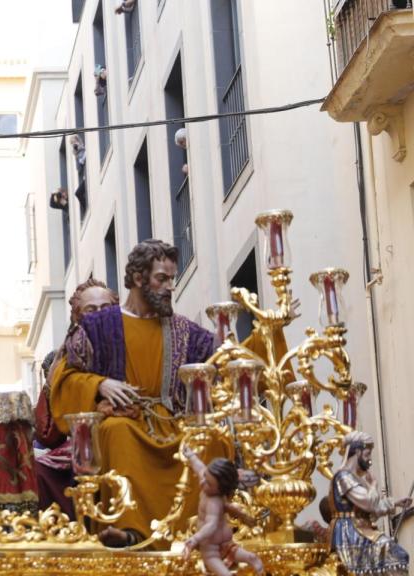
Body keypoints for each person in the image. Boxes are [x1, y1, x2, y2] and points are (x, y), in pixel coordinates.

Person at [49, 239, 234, 548]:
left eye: (171, 279)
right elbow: (64, 378)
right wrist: (99, 384)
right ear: (138, 278)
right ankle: (129, 529)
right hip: (127, 421)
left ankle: (200, 529)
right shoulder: (97, 326)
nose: (169, 287)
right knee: (117, 432)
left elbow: (226, 360)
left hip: (173, 422)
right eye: (162, 278)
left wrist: (270, 334)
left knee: (212, 438)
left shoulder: (183, 329)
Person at [34, 279, 119, 517]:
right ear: (77, 317)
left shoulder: (130, 343)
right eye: (91, 310)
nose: (99, 315)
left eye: (106, 309)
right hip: (80, 439)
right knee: (40, 470)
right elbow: (47, 429)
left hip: (123, 430)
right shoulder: (66, 357)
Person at [330, 431, 410, 576]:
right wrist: (373, 485)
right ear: (357, 451)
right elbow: (368, 503)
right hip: (350, 532)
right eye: (367, 455)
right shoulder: (343, 476)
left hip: (361, 529)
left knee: (397, 556)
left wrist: (395, 503)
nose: (369, 460)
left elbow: (371, 508)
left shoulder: (356, 478)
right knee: (396, 555)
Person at [182, 446, 265, 576]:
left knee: (215, 564)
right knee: (232, 551)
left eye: (209, 483)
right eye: (205, 476)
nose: (203, 482)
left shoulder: (213, 501)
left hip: (211, 545)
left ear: (221, 490)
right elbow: (199, 468)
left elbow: (211, 525)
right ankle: (251, 558)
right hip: (225, 540)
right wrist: (191, 456)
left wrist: (194, 539)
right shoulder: (208, 479)